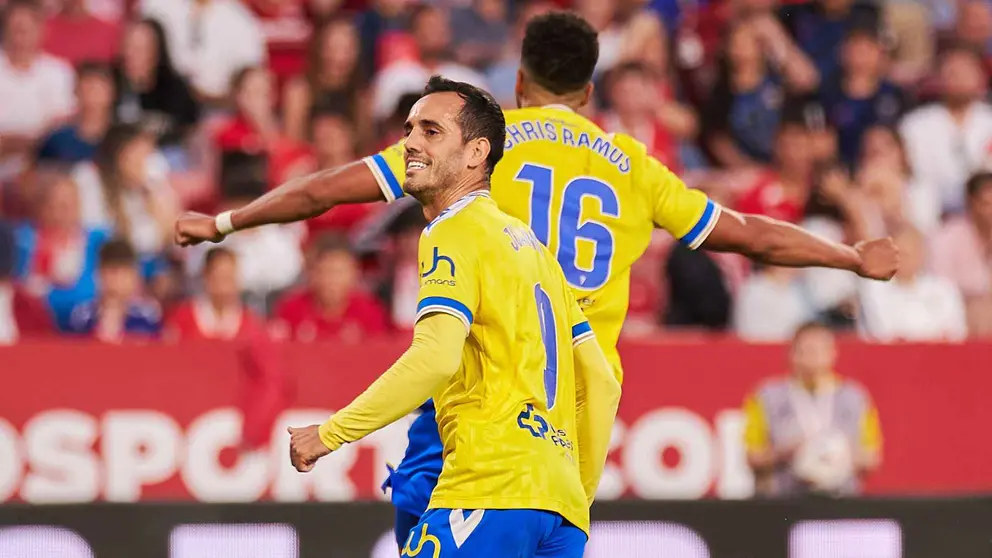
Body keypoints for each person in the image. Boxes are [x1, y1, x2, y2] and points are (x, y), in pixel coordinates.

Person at [174, 11, 899, 549]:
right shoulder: (634, 165)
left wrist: (230, 222)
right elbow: (750, 235)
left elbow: (329, 189)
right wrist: (848, 254)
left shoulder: (478, 147)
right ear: (589, 91)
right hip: (571, 414)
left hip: (483, 388)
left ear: (519, 81)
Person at [284, 78, 620, 556]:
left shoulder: (453, 229)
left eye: (431, 131)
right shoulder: (537, 252)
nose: (410, 142)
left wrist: (331, 433)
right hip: (559, 508)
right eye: (408, 129)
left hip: (487, 487)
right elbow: (602, 382)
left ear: (476, 152)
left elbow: (436, 358)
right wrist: (575, 498)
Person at [742, 321, 882, 497]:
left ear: (833, 353)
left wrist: (838, 455)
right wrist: (786, 453)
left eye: (818, 350)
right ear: (791, 354)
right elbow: (752, 456)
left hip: (841, 499)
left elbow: (872, 457)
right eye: (805, 350)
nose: (812, 357)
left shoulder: (855, 397)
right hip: (786, 499)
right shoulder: (766, 396)